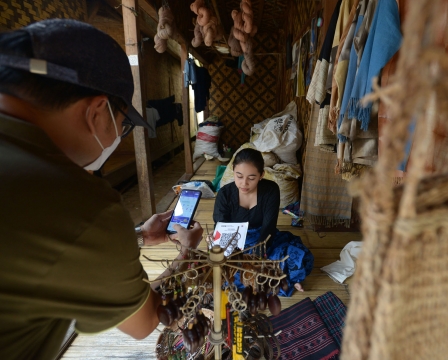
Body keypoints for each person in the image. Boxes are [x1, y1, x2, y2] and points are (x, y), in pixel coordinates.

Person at [0, 19, 203, 360]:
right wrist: (187, 252)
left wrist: (137, 234)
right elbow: (146, 320)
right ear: (97, 111)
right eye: (123, 125)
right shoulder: (79, 204)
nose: (118, 136)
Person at [213, 148, 314, 296]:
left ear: (261, 175)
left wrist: (259, 256)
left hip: (265, 239)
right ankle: (281, 278)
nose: (244, 183)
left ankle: (288, 276)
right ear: (233, 171)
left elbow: (269, 226)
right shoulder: (224, 194)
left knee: (293, 255)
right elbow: (221, 226)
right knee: (232, 272)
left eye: (251, 178)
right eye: (239, 176)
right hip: (234, 244)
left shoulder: (270, 190)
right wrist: (236, 254)